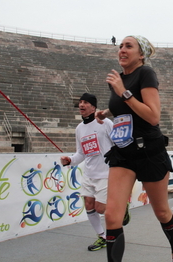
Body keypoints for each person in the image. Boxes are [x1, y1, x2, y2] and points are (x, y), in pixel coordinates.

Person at [95, 35, 173, 262]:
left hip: (149, 153)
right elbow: (125, 111)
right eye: (120, 46)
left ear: (141, 54)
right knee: (112, 217)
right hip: (123, 153)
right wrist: (106, 112)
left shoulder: (146, 73)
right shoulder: (117, 79)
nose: (122, 50)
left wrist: (123, 92)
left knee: (161, 212)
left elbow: (153, 116)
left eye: (128, 46)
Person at [60, 93, 130, 252]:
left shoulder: (105, 123)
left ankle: (122, 205)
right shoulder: (79, 128)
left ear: (93, 107)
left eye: (85, 102)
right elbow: (81, 153)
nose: (81, 105)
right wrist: (70, 160)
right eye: (80, 102)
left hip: (106, 173)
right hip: (89, 174)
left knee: (100, 208)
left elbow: (119, 143)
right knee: (89, 206)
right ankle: (102, 236)